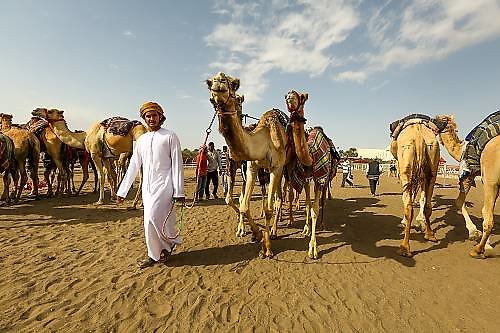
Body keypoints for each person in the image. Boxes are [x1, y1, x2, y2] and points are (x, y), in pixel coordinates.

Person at [116, 102, 185, 269]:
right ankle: (157, 252)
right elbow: (133, 165)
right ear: (144, 119)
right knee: (149, 221)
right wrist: (122, 191)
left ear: (160, 117)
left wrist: (179, 191)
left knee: (155, 217)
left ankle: (163, 248)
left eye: (154, 115)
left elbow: (177, 164)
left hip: (165, 185)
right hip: (147, 187)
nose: (151, 118)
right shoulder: (141, 140)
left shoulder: (170, 136)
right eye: (148, 116)